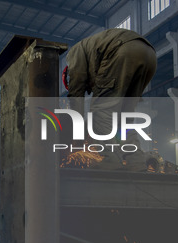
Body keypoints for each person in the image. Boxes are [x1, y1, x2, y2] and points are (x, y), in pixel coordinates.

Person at [64, 28, 157, 168]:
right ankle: (136, 161)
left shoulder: (74, 54)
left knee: (100, 113)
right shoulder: (92, 52)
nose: (89, 90)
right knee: (124, 120)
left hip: (122, 51)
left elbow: (76, 93)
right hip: (149, 55)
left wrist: (76, 133)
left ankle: (110, 159)